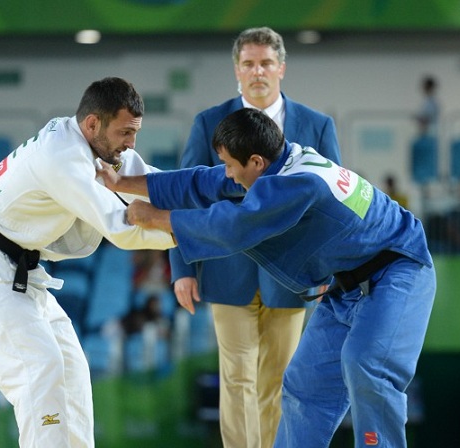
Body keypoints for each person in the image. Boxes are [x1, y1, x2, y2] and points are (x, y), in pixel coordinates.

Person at [97, 108, 436, 447]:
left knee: (366, 365)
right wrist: (121, 182)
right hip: (348, 284)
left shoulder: (297, 183)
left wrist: (155, 218)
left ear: (256, 162)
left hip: (398, 270)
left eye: (231, 165)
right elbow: (201, 181)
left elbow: (232, 226)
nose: (228, 174)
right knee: (305, 383)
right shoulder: (278, 162)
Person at [0, 77, 176, 447]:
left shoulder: (94, 145)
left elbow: (145, 181)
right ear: (93, 123)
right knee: (40, 368)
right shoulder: (63, 156)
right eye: (125, 132)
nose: (131, 143)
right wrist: (196, 230)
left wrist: (209, 193)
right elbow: (122, 227)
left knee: (72, 371)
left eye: (135, 133)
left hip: (18, 266)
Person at [170, 26, 341, 448]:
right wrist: (182, 269)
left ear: (281, 68)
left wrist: (327, 272)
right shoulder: (208, 123)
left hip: (293, 275)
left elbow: (331, 208)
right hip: (227, 268)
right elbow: (185, 197)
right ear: (237, 70)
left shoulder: (317, 126)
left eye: (266, 63)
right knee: (236, 376)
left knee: (279, 380)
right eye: (248, 63)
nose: (257, 71)